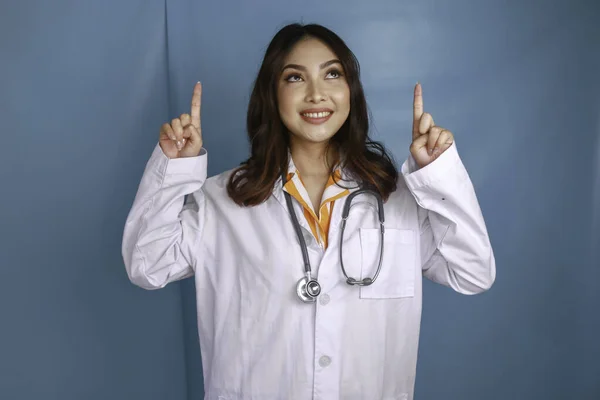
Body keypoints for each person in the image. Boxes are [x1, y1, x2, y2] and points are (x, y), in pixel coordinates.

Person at [122, 23, 495, 400]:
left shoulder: (396, 200)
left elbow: (472, 272)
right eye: (295, 78)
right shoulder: (220, 200)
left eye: (333, 74)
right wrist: (173, 170)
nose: (317, 94)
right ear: (273, 93)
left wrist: (439, 174)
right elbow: (147, 266)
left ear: (351, 91)